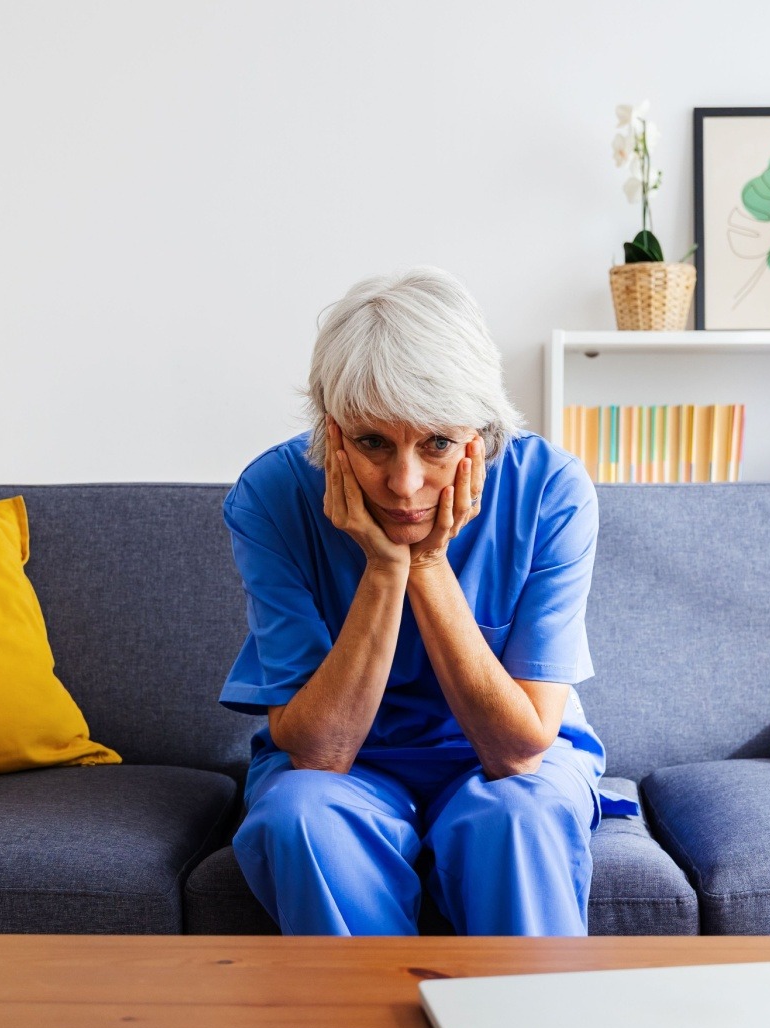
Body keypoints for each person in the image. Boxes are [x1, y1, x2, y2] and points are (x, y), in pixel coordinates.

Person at [218, 266, 632, 937]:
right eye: (372, 443)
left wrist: (428, 563)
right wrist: (386, 569)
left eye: (437, 443)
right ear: (332, 433)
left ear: (480, 433)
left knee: (521, 819)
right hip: (347, 769)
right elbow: (319, 755)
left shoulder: (552, 490)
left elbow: (521, 751)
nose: (404, 485)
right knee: (299, 816)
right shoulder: (271, 496)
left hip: (503, 764)